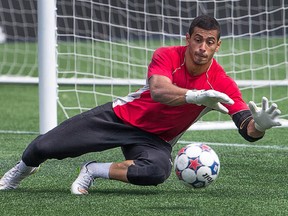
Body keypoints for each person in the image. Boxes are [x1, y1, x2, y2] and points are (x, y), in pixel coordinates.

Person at [0, 15, 281, 195]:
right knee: (42, 148)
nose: (202, 48)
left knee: (157, 172)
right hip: (120, 118)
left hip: (156, 140)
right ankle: (20, 172)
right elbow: (159, 91)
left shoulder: (222, 82)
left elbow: (246, 127)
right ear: (188, 39)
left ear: (218, 46)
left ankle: (92, 170)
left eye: (209, 42)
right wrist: (196, 96)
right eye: (197, 40)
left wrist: (260, 126)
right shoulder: (167, 55)